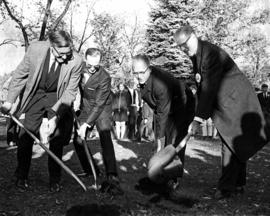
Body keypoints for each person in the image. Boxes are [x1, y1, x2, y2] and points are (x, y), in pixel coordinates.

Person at [174, 25, 268, 199]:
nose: (183, 50)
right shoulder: (197, 55)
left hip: (237, 100)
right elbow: (202, 86)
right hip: (227, 101)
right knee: (235, 144)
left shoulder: (210, 54)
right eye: (180, 47)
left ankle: (226, 188)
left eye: (184, 45)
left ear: (193, 37)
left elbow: (209, 88)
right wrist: (198, 113)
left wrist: (197, 119)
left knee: (229, 141)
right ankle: (238, 184)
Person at [0, 30, 83, 192]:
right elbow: (19, 76)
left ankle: (54, 179)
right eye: (61, 54)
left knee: (56, 138)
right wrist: (9, 101)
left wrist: (55, 118)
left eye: (68, 53)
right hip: (36, 94)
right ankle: (21, 175)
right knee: (26, 135)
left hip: (57, 97)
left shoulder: (77, 61)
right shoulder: (35, 50)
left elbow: (70, 92)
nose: (66, 57)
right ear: (51, 47)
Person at [132, 54, 195, 197]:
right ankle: (161, 173)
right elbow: (158, 111)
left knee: (174, 143)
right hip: (167, 108)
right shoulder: (143, 81)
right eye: (135, 72)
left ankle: (173, 178)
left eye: (141, 72)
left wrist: (159, 142)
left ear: (149, 69)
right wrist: (159, 142)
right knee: (162, 141)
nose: (138, 76)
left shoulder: (160, 84)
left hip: (183, 106)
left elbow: (162, 114)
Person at [74, 48, 122, 194]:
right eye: (90, 65)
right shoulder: (79, 68)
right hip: (86, 107)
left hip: (102, 108)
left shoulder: (105, 77)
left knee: (105, 137)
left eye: (96, 65)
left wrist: (86, 125)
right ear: (85, 59)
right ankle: (90, 170)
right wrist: (75, 99)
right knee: (78, 139)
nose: (93, 69)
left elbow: (99, 104)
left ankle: (111, 174)